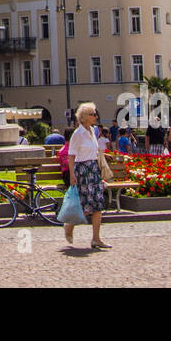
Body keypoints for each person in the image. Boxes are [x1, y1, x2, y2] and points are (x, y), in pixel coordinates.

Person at [64, 102, 110, 250]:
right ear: (85, 117)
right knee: (85, 206)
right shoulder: (78, 134)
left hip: (93, 169)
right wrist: (72, 174)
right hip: (82, 170)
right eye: (93, 114)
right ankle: (69, 225)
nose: (96, 116)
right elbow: (71, 156)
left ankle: (96, 239)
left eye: (95, 114)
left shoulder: (93, 131)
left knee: (98, 205)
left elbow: (95, 151)